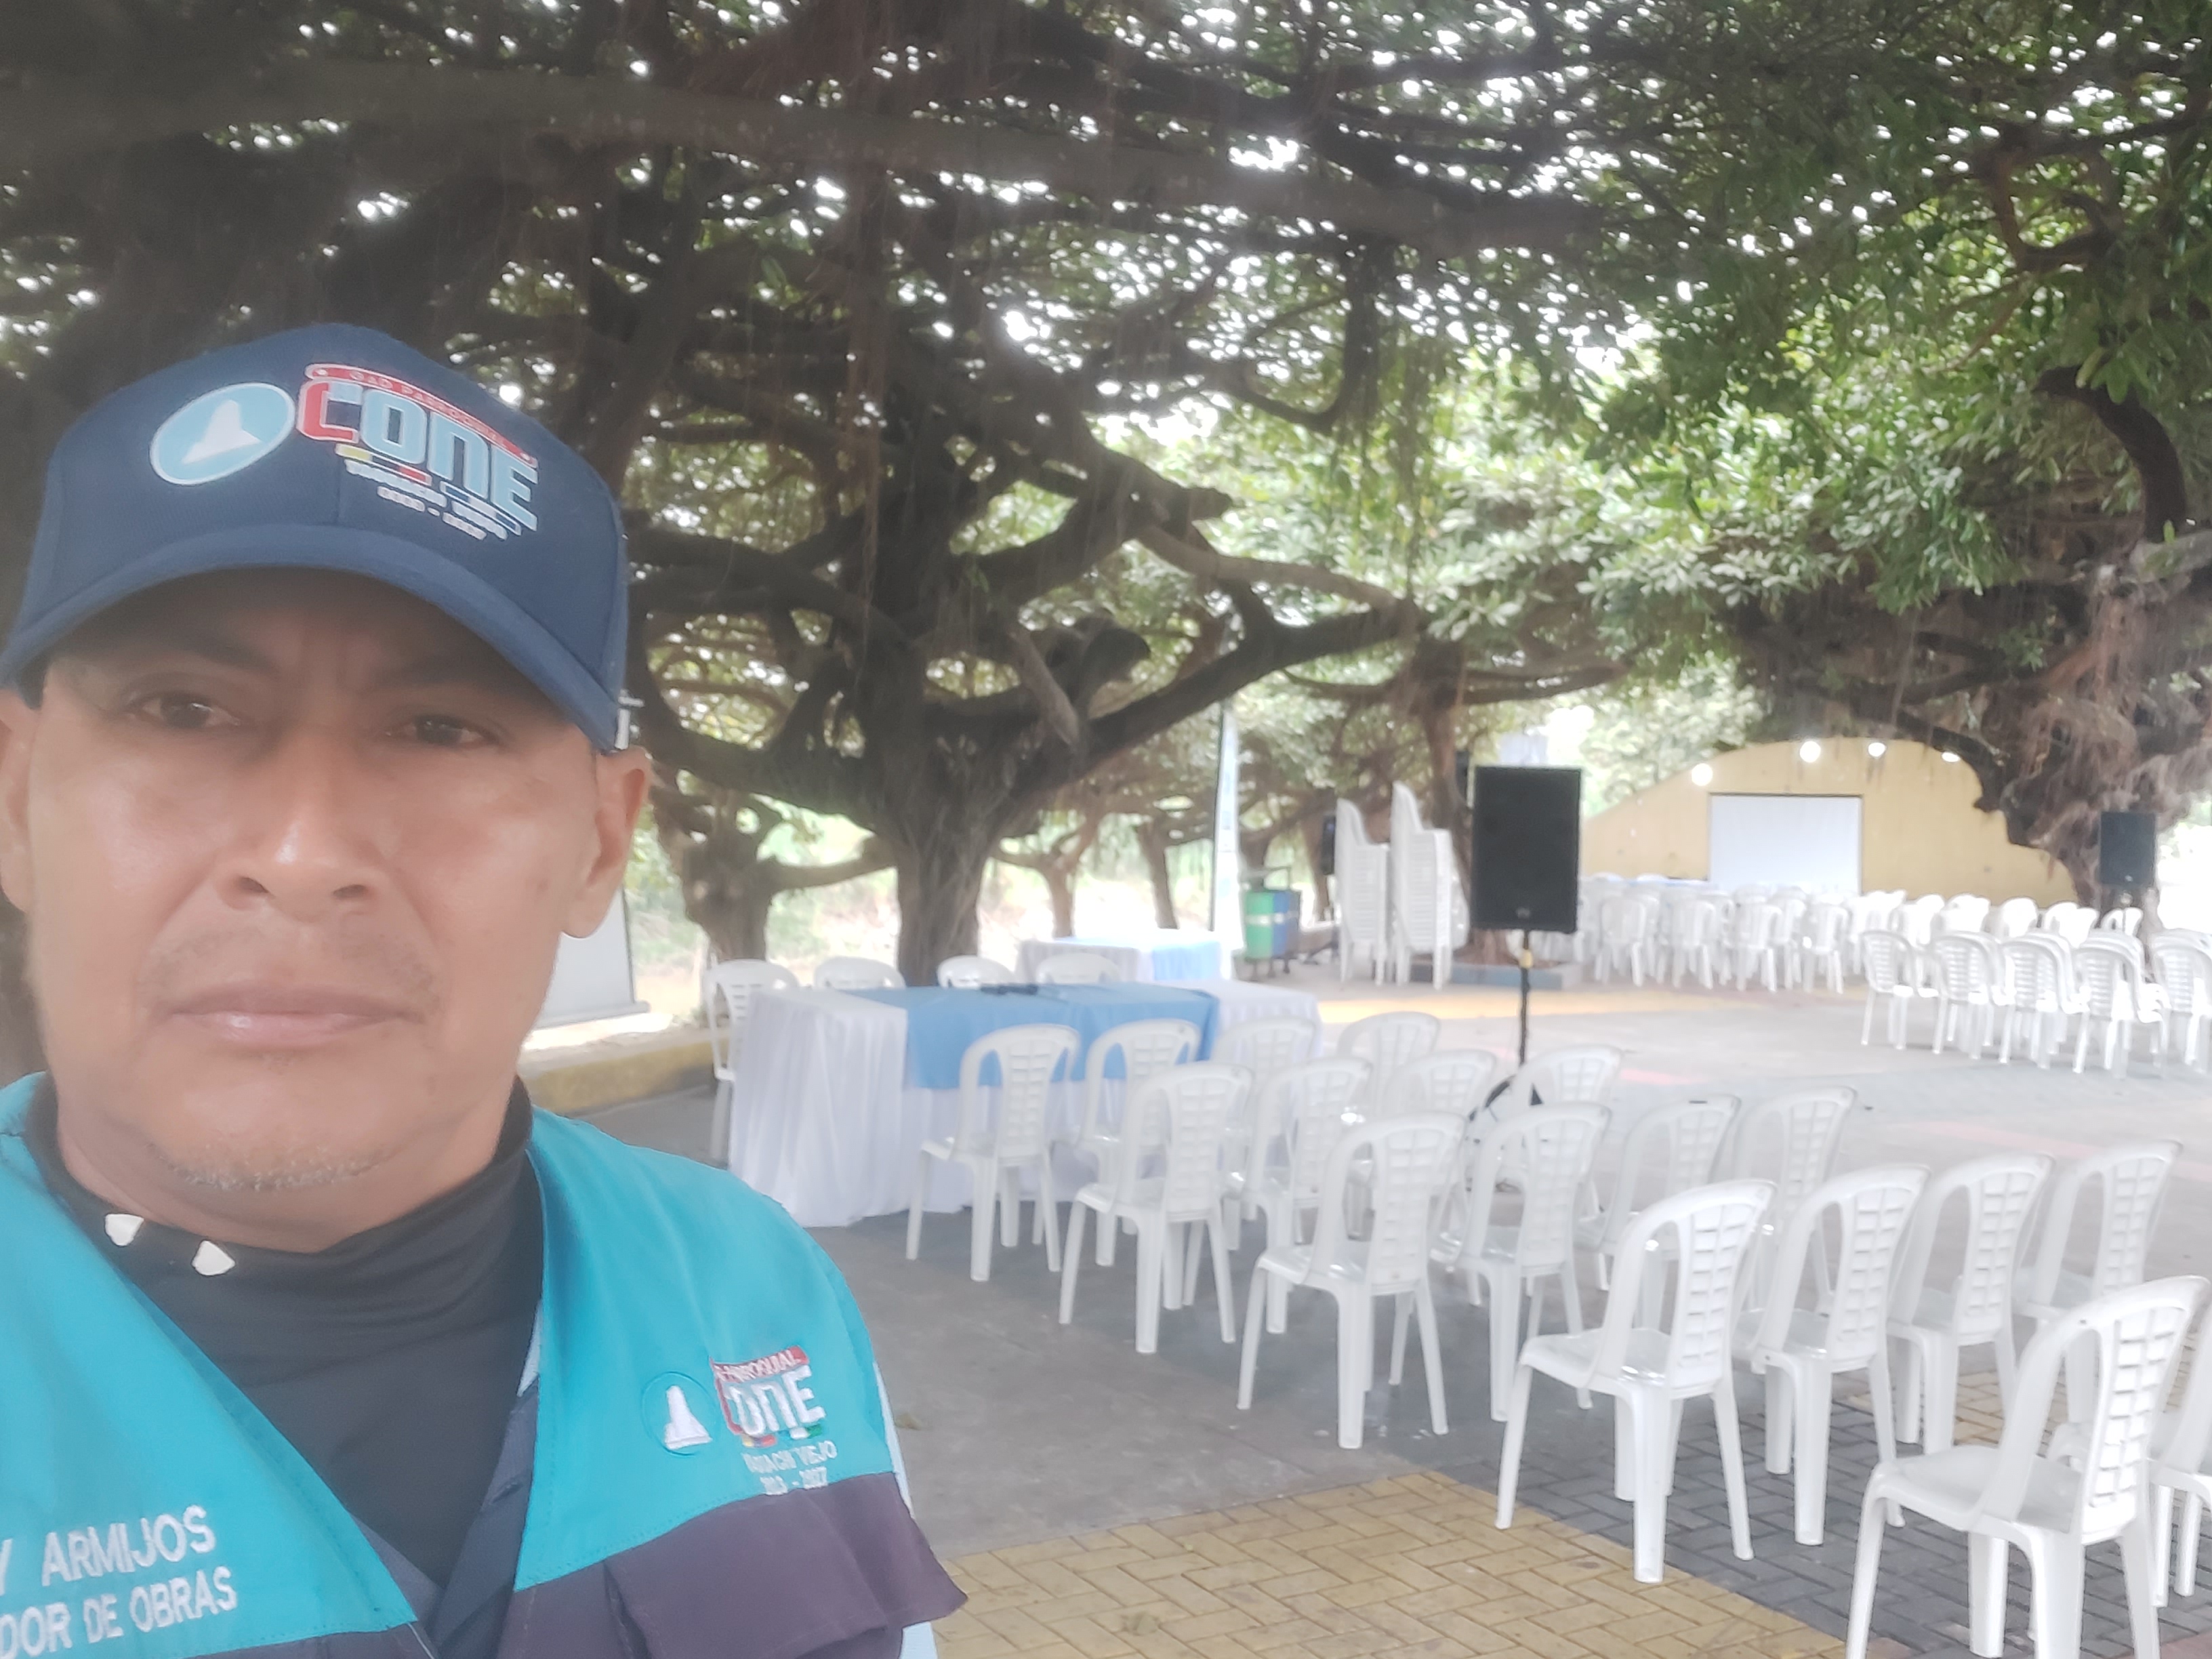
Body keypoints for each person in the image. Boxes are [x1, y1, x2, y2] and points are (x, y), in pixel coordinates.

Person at [0, 326, 962, 1659]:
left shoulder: (756, 1290)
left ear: (601, 844)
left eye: (441, 728)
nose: (302, 855)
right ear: (16, 797)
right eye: (181, 710)